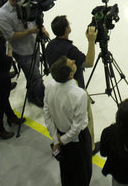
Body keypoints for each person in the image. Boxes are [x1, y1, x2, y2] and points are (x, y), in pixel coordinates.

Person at [45, 15, 97, 148]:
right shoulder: (70, 50)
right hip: (75, 86)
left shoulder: (49, 46)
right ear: (67, 29)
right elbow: (89, 62)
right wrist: (91, 41)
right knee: (87, 118)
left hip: (58, 84)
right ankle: (90, 147)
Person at [44, 56, 92, 186]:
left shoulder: (50, 86)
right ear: (71, 75)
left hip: (60, 134)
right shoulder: (79, 94)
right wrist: (62, 140)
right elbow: (77, 127)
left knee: (66, 172)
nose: (74, 61)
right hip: (78, 142)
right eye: (72, 63)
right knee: (83, 173)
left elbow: (46, 113)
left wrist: (56, 139)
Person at [0, 0, 46, 107]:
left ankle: (32, 94)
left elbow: (34, 18)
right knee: (36, 78)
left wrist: (41, 28)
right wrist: (30, 31)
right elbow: (11, 36)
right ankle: (41, 98)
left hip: (33, 44)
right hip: (22, 51)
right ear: (14, 0)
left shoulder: (24, 6)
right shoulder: (2, 15)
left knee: (33, 75)